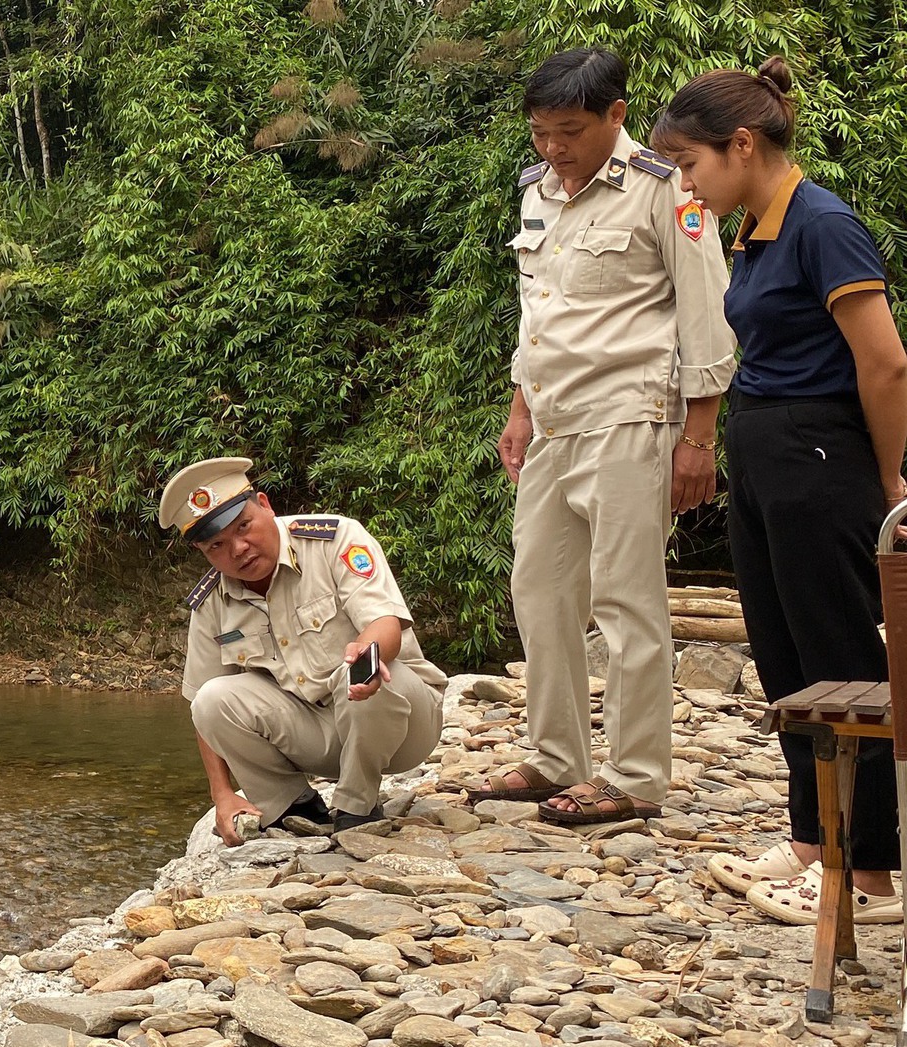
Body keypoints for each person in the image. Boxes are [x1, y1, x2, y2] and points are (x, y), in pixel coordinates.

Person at [651, 59, 907, 924]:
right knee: (784, 658)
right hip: (765, 454)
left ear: (743, 144)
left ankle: (869, 871)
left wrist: (884, 473)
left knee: (842, 664)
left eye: (690, 163)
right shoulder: (755, 228)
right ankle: (813, 839)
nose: (685, 182)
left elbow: (886, 361)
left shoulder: (824, 225)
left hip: (820, 457)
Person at [469, 48, 737, 825]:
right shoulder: (537, 193)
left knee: (626, 598)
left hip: (633, 413)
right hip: (554, 418)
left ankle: (637, 774)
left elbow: (705, 313)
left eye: (570, 131)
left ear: (615, 116)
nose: (554, 148)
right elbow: (537, 309)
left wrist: (700, 438)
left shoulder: (666, 187)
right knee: (541, 591)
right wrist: (519, 408)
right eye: (541, 133)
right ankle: (556, 755)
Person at [162, 456, 448, 838]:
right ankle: (293, 806)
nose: (239, 548)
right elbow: (203, 705)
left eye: (244, 526)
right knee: (212, 699)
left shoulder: (335, 539)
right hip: (317, 738)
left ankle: (357, 806)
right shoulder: (212, 599)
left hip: (403, 724)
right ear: (203, 552)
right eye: (217, 544)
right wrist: (222, 794)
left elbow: (386, 622)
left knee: (367, 667)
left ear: (265, 505)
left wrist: (366, 650)